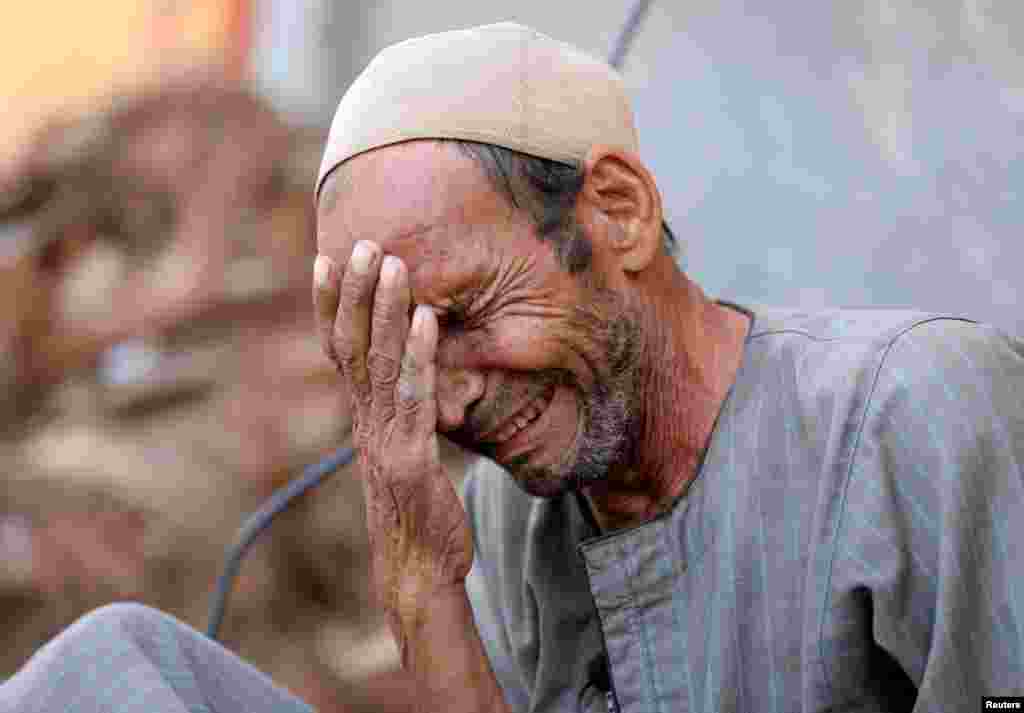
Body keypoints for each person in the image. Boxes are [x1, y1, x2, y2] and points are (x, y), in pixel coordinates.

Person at [2, 21, 1022, 713]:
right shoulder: (513, 508)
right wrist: (417, 582)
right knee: (112, 670)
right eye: (401, 350)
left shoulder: (914, 411)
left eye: (463, 312)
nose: (446, 398)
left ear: (617, 211)